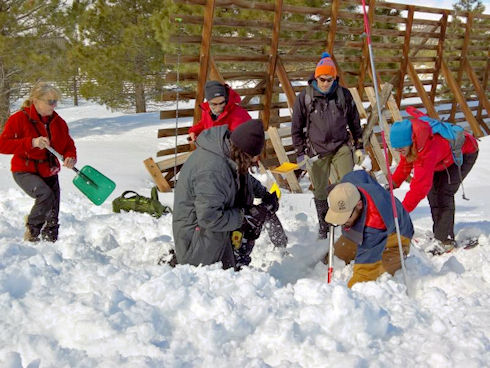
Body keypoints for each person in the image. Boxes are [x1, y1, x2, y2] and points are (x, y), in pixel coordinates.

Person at [173, 119, 281, 270]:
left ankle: (236, 261)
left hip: (212, 235)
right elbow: (209, 217)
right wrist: (244, 217)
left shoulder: (227, 152)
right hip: (197, 244)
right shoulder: (213, 170)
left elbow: (241, 176)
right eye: (252, 157)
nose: (254, 161)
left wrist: (264, 194)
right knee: (226, 279)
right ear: (243, 152)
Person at [291, 52, 363, 239]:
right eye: (322, 79)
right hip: (316, 150)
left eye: (330, 79)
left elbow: (355, 121)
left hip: (340, 146)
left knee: (349, 185)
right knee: (320, 189)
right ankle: (325, 227)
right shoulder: (305, 97)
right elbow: (296, 127)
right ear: (316, 77)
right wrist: (300, 153)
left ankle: (350, 223)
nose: (325, 83)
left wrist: (359, 145)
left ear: (334, 78)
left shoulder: (343, 95)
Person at [0, 82, 77, 242]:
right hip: (25, 169)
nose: (54, 105)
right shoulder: (19, 119)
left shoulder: (58, 122)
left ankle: (51, 243)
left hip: (49, 169)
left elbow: (68, 145)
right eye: (50, 101)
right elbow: (3, 145)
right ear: (36, 100)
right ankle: (32, 232)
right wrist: (31, 143)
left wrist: (70, 157)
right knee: (45, 195)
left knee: (53, 210)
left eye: (56, 101)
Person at [389, 117, 479, 253]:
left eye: (401, 149)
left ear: (410, 142)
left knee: (443, 194)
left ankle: (444, 240)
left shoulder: (426, 149)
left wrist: (401, 212)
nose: (399, 152)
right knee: (433, 194)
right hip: (442, 160)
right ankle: (439, 233)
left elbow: (419, 188)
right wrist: (392, 183)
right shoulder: (410, 145)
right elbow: (404, 165)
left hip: (464, 153)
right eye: (396, 149)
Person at [325, 170, 414, 288]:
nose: (342, 222)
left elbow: (365, 271)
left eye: (346, 216)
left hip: (396, 234)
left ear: (359, 205)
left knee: (381, 273)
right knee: (336, 256)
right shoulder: (348, 186)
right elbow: (360, 175)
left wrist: (347, 294)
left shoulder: (375, 223)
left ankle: (400, 252)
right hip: (361, 224)